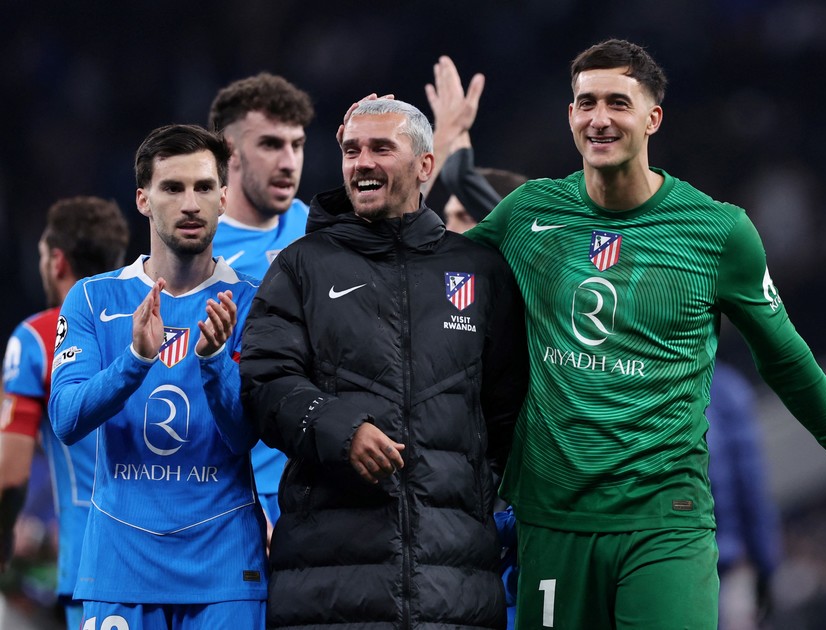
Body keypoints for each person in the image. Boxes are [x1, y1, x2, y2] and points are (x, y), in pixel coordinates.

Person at [464, 38, 826, 629]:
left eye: (618, 103)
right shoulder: (528, 213)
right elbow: (437, 280)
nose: (599, 118)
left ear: (653, 118)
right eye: (586, 103)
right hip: (552, 523)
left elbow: (786, 358)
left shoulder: (717, 231)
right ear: (570, 114)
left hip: (664, 523)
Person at [239, 98, 528, 628]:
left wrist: (472, 489)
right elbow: (265, 381)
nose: (362, 162)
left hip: (455, 580)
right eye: (351, 150)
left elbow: (507, 409)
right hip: (328, 580)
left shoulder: (480, 270)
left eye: (380, 148)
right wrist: (339, 429)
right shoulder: (303, 264)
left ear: (424, 165)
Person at [49, 124, 267, 629]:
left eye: (203, 187)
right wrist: (134, 361)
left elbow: (244, 434)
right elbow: (65, 419)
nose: (190, 203)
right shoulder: (92, 298)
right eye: (172, 188)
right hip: (120, 564)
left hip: (225, 568)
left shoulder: (254, 302)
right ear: (143, 199)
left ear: (223, 198)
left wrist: (214, 362)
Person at [1, 196, 129, 629]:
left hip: (89, 568)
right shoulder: (154, 326)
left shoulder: (37, 338)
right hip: (172, 560)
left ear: (57, 261)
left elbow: (9, 476)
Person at [208, 72, 315, 528]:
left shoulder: (314, 227)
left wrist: (442, 140)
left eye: (297, 144)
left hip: (313, 487)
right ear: (229, 152)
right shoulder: (200, 253)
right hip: (236, 494)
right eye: (271, 144)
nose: (289, 162)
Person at [706, 360, 783, 630]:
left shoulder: (636, 382)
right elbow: (749, 485)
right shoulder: (725, 388)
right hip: (725, 564)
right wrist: (765, 565)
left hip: (662, 565)